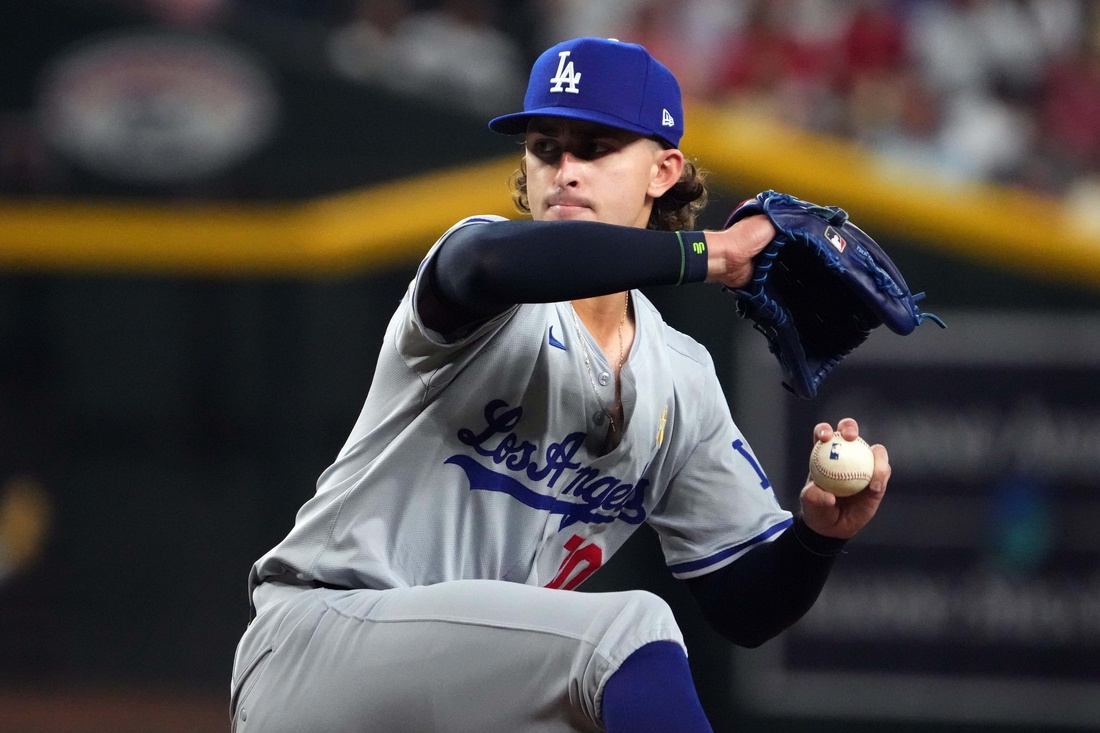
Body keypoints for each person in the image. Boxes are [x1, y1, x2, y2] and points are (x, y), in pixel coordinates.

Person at [230, 37, 891, 733]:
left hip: (471, 692)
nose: (565, 171)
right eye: (546, 148)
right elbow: (487, 265)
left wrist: (817, 536)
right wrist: (712, 251)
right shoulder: (486, 281)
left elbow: (744, 607)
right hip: (322, 642)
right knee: (628, 633)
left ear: (664, 171)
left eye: (596, 148)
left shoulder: (682, 377)